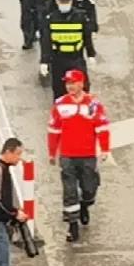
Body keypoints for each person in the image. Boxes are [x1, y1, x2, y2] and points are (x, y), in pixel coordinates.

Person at [48, 71, 111, 243]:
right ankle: (72, 225)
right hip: (67, 156)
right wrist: (52, 152)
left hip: (88, 155)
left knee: (89, 188)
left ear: (81, 84)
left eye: (73, 82)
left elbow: (102, 127)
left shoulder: (93, 104)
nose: (69, 86)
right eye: (67, 83)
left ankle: (85, 205)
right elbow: (54, 131)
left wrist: (105, 149)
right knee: (69, 191)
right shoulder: (60, 104)